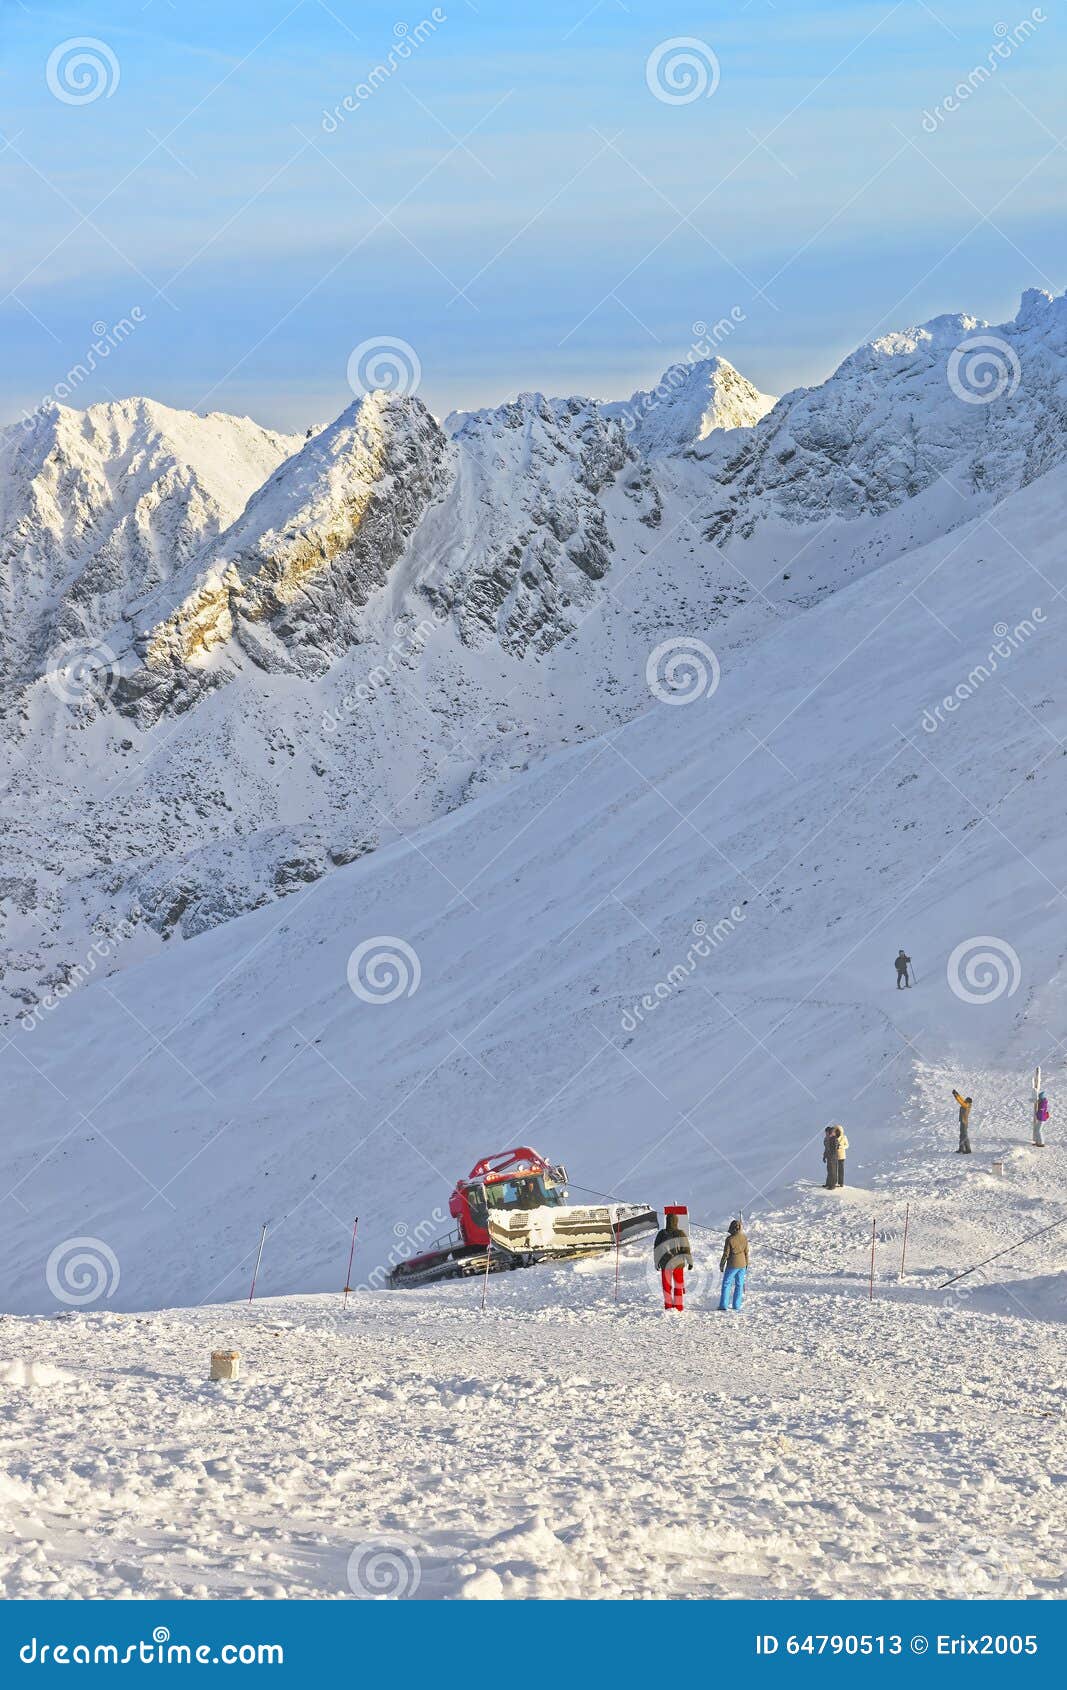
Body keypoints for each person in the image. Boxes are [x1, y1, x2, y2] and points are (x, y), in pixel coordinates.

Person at [653, 1209, 693, 1311]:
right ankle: (678, 1307)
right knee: (678, 1286)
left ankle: (668, 1306)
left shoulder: (661, 1234)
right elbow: (686, 1249)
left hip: (665, 1265)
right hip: (678, 1264)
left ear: (667, 1221)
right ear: (676, 1221)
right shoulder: (680, 1233)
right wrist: (690, 1262)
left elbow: (656, 1249)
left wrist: (656, 1262)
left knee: (667, 1287)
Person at [718, 1220, 749, 1311]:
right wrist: (746, 1264)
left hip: (732, 1265)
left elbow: (726, 1254)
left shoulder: (729, 1239)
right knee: (739, 1285)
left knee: (726, 1284)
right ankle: (737, 1305)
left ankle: (723, 1305)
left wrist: (722, 1264)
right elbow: (746, 1252)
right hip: (742, 1264)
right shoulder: (744, 1238)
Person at [953, 1089, 973, 1153]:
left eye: (966, 1100)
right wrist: (957, 1094)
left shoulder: (966, 1105)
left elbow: (960, 1101)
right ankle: (968, 1149)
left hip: (964, 1123)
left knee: (963, 1136)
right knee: (964, 1136)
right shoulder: (966, 1104)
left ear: (967, 1101)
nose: (964, 1100)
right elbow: (961, 1100)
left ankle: (962, 1148)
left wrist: (955, 1095)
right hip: (964, 1122)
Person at [822, 1125, 838, 1189]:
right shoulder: (827, 1139)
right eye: (825, 1132)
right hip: (829, 1156)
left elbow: (835, 1148)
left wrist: (832, 1156)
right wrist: (824, 1156)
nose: (826, 1133)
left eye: (827, 1132)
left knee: (833, 1170)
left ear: (830, 1132)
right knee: (829, 1170)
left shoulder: (834, 1138)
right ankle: (828, 1183)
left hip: (833, 1157)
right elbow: (826, 1148)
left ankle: (833, 1185)